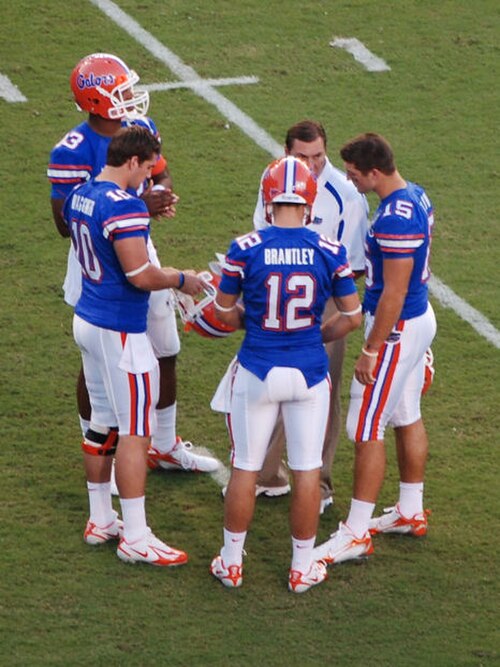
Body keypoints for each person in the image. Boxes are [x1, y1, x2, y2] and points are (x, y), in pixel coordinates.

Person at [47, 52, 218, 475]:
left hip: (140, 247)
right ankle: (97, 443)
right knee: (96, 361)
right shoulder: (72, 150)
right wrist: (138, 204)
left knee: (166, 349)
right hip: (94, 261)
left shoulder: (142, 129)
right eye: (120, 89)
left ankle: (162, 445)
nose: (130, 95)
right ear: (97, 99)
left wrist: (159, 196)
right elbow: (63, 223)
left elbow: (162, 174)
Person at [209, 156, 362, 592]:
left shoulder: (244, 247)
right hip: (309, 371)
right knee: (308, 469)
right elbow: (351, 316)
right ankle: (301, 568)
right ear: (310, 201)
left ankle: (232, 562)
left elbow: (222, 313)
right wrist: (317, 333)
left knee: (244, 467)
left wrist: (250, 320)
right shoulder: (329, 251)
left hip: (258, 368)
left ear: (268, 198)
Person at [64, 125, 205, 563]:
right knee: (136, 432)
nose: (148, 177)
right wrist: (183, 279)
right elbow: (140, 275)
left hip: (87, 319)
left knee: (102, 423)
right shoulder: (123, 206)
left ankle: (101, 519)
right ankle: (137, 537)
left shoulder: (82, 194)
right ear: (132, 162)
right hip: (121, 330)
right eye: (146, 168)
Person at [314, 133, 437, 567]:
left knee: (365, 426)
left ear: (375, 172)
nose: (351, 180)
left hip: (395, 327)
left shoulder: (394, 219)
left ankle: (356, 531)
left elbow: (393, 292)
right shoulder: (414, 196)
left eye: (354, 174)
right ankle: (409, 508)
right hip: (413, 322)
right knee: (406, 414)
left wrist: (371, 348)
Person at [252, 120, 369, 512]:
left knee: (322, 390)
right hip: (277, 298)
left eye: (318, 155)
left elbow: (352, 269)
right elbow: (261, 240)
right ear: (287, 153)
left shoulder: (346, 197)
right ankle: (267, 474)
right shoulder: (272, 180)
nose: (312, 164)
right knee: (267, 384)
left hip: (326, 303)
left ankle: (319, 484)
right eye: (303, 156)